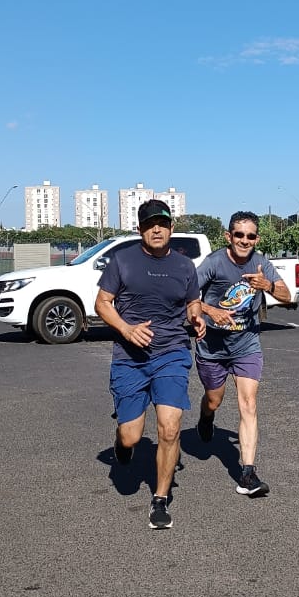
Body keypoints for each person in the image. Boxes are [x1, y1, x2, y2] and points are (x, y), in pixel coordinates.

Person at [94, 199, 205, 530]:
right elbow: (102, 303)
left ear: (171, 227)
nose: (156, 230)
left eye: (162, 224)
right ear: (139, 229)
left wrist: (196, 316)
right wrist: (126, 329)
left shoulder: (185, 266)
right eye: (149, 224)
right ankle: (122, 443)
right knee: (131, 436)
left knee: (170, 428)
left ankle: (160, 498)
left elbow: (193, 301)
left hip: (171, 353)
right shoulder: (122, 261)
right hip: (130, 358)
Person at [195, 211, 290, 497]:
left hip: (246, 345)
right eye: (239, 235)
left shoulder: (261, 263)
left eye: (250, 236)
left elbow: (287, 296)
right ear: (229, 236)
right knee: (214, 399)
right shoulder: (214, 263)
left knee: (248, 404)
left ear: (256, 239)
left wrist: (267, 286)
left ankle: (247, 474)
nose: (244, 240)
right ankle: (206, 417)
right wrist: (210, 311)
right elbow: (186, 296)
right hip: (212, 347)